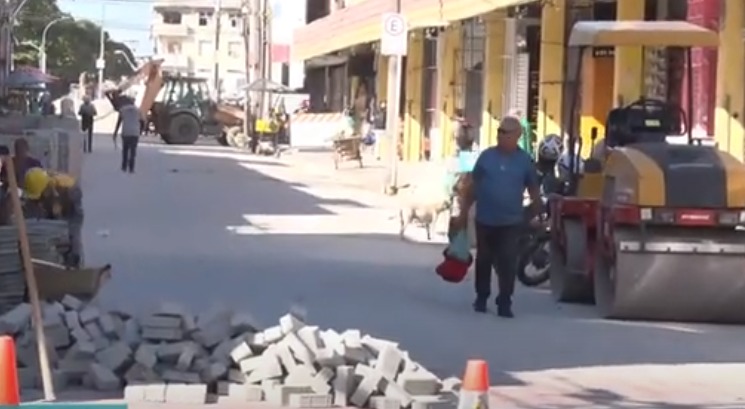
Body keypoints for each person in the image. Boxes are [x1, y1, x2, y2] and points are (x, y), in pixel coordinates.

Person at [457, 116, 542, 318]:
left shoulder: (524, 161)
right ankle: (481, 297)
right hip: (485, 219)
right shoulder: (486, 157)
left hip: (511, 222)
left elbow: (534, 189)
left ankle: (505, 301)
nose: (501, 136)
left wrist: (537, 213)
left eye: (506, 133)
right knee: (484, 259)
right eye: (499, 132)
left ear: (517, 136)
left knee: (507, 262)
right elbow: (472, 186)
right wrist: (463, 212)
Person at [22, 167, 84, 268]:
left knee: (71, 231)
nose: (39, 201)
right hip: (54, 198)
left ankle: (75, 261)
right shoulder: (39, 185)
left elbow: (71, 222)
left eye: (40, 197)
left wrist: (58, 214)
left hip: (70, 202)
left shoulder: (68, 190)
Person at [113, 96, 142, 173]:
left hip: (126, 132)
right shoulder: (138, 110)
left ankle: (124, 166)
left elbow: (119, 122)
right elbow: (143, 121)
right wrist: (140, 131)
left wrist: (115, 133)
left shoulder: (122, 110)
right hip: (135, 133)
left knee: (125, 150)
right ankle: (131, 168)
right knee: (133, 151)